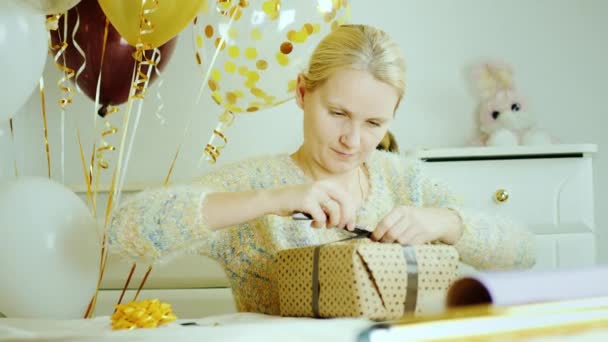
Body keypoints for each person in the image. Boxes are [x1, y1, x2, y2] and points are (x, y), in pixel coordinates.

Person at [108, 24, 535, 315]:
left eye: (373, 124)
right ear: (301, 92)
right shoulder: (257, 183)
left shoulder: (407, 181)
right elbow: (125, 232)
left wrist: (446, 222)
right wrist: (271, 200)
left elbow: (522, 253)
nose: (352, 139)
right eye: (337, 113)